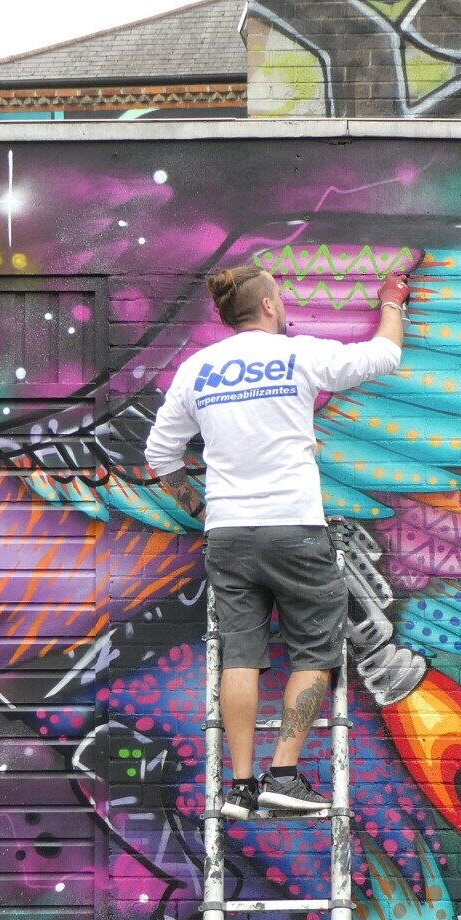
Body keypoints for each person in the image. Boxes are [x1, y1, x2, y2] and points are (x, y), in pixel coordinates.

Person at [145, 261, 411, 819]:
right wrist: (390, 302)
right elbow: (383, 356)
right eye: (281, 299)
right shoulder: (298, 355)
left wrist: (198, 506)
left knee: (240, 655)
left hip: (228, 534)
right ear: (268, 306)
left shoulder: (198, 369)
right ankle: (283, 774)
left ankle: (240, 786)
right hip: (293, 528)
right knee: (316, 650)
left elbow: (158, 456)